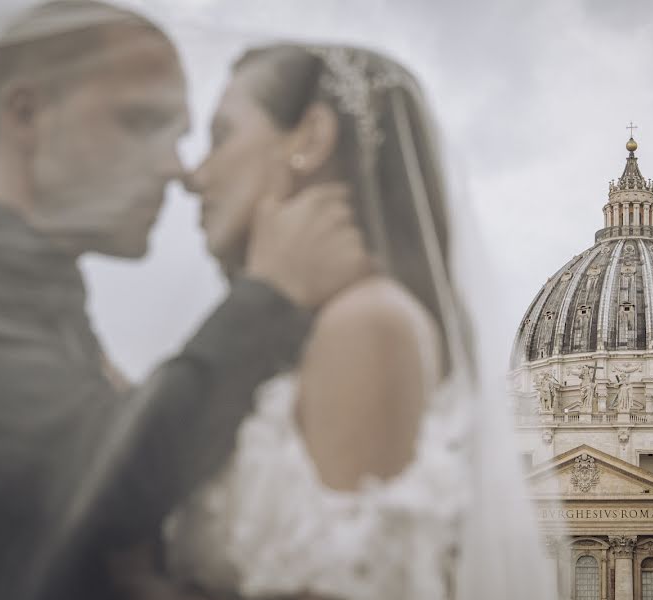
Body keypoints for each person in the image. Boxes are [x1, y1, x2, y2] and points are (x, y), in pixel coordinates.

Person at [0, 4, 369, 600]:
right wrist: (269, 295)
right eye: (141, 123)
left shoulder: (60, 314)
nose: (177, 169)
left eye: (182, 137)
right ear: (26, 115)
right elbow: (99, 481)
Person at [161, 44, 473, 600]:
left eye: (221, 135)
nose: (193, 174)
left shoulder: (367, 324)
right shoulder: (317, 326)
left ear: (308, 139)